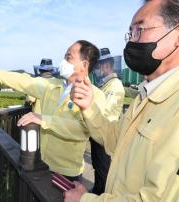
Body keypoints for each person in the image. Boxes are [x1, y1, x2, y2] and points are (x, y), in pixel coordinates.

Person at [65, 0, 179, 201]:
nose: (131, 41)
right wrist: (89, 107)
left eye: (140, 29)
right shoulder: (146, 96)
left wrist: (85, 200)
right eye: (130, 32)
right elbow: (116, 139)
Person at [0, 40, 107, 182]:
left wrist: (44, 119)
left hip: (67, 171)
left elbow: (82, 130)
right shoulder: (52, 85)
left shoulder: (95, 96)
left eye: (69, 57)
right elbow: (23, 80)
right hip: (42, 162)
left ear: (84, 64)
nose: (63, 61)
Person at [89, 48, 125, 195]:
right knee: (98, 166)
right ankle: (97, 190)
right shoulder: (105, 85)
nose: (97, 70)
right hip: (98, 133)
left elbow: (105, 112)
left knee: (103, 169)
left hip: (105, 135)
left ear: (106, 66)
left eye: (98, 66)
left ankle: (101, 195)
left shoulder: (115, 85)